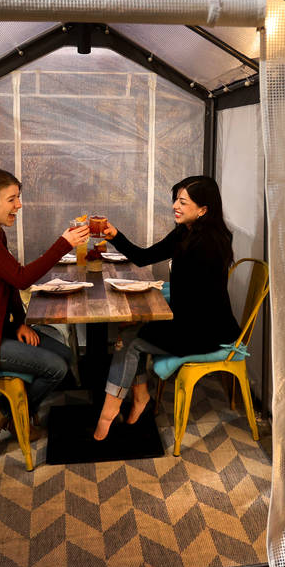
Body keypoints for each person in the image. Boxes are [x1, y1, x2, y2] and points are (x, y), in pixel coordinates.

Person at [0, 167, 90, 455]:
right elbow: (22, 278)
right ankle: (2, 412)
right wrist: (64, 244)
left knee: (64, 354)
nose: (19, 205)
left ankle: (4, 411)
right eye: (12, 199)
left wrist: (21, 323)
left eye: (18, 198)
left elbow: (9, 284)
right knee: (56, 369)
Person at [94, 175, 238, 440]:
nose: (175, 206)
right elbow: (144, 257)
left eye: (183, 202)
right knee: (129, 332)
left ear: (203, 210)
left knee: (129, 339)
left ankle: (109, 413)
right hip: (191, 320)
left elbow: (196, 303)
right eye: (176, 200)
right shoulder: (187, 232)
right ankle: (138, 398)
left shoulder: (209, 244)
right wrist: (115, 235)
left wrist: (149, 317)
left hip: (206, 331)